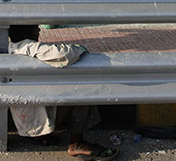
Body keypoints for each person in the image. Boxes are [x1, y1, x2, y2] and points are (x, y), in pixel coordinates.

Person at [7, 25, 119, 161]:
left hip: (26, 117)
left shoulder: (10, 48)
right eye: (35, 28)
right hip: (35, 118)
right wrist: (80, 49)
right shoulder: (28, 46)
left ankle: (44, 136)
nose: (38, 30)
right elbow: (62, 54)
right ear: (26, 34)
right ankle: (76, 144)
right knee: (82, 92)